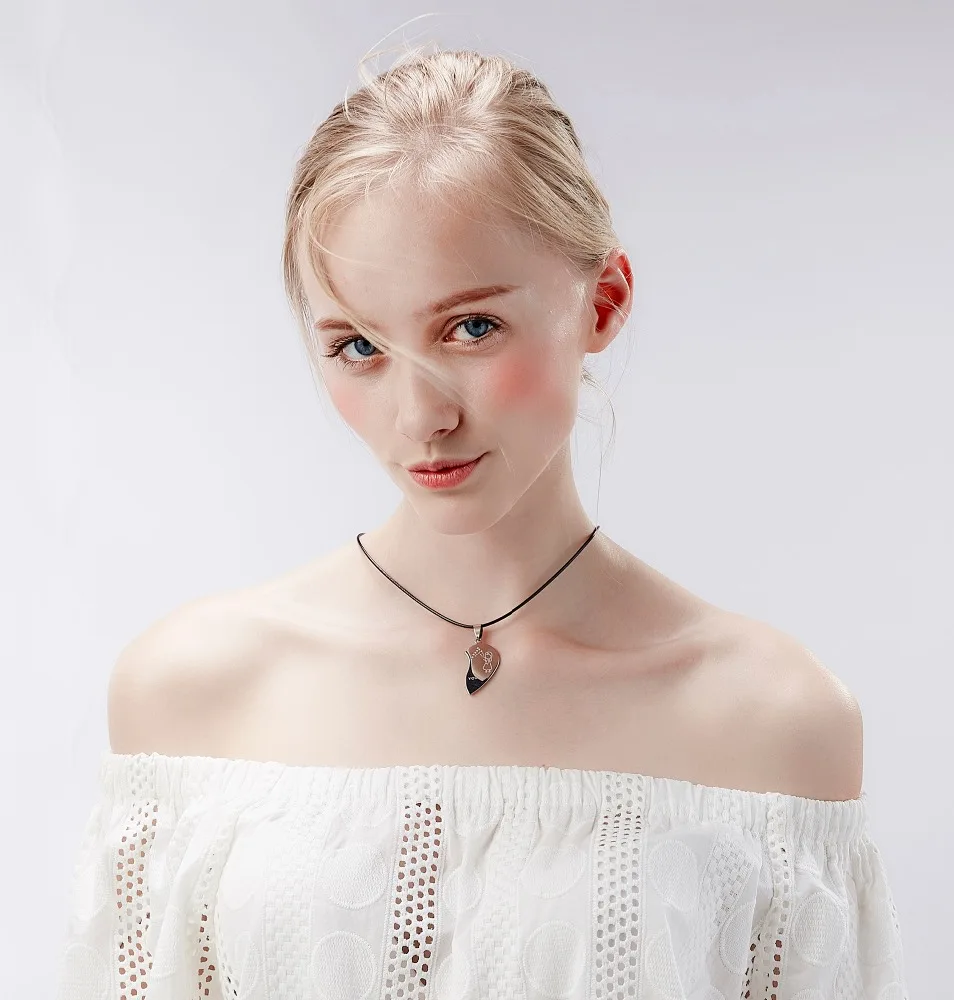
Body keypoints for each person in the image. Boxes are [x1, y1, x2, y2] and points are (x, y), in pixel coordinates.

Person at [54, 47, 908, 999]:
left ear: (604, 302)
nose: (421, 418)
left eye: (471, 329)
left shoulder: (777, 721)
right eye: (358, 346)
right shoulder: (192, 691)